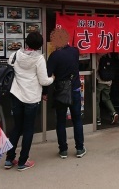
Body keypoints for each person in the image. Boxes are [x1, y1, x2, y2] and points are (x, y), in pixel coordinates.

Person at [4, 32, 54, 171]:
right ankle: (22, 161)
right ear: (39, 46)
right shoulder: (39, 59)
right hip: (31, 98)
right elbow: (44, 80)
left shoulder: (14, 55)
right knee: (28, 129)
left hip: (16, 95)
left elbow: (11, 71)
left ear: (26, 42)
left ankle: (9, 159)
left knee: (17, 127)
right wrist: (53, 78)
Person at [45, 28, 86, 159]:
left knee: (61, 121)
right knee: (77, 120)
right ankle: (80, 148)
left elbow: (47, 75)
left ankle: (63, 150)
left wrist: (45, 92)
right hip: (74, 90)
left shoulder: (54, 55)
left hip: (60, 92)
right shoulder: (75, 51)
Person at [96, 53, 119, 126]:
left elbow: (95, 69)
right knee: (106, 98)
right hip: (109, 81)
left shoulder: (98, 56)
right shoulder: (109, 55)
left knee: (96, 100)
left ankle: (98, 120)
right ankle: (113, 112)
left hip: (100, 81)